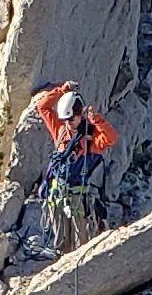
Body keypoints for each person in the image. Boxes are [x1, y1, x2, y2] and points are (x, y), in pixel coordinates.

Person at [22, 81, 117, 260]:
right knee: (59, 231)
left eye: (71, 119)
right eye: (65, 120)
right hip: (58, 190)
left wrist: (97, 120)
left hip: (76, 194)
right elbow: (43, 107)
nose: (68, 124)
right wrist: (62, 90)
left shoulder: (90, 138)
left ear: (80, 114)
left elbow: (110, 139)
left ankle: (79, 259)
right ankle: (59, 255)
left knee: (79, 234)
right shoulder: (60, 131)